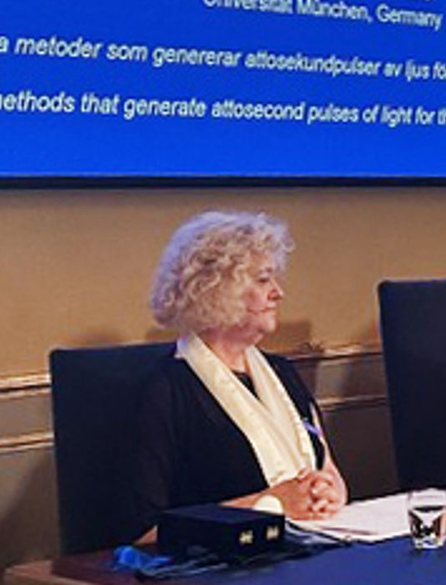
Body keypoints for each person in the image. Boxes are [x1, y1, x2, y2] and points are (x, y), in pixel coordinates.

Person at [130, 211, 346, 539]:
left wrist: (328, 493)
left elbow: (327, 470)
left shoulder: (283, 373)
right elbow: (144, 531)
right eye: (262, 280)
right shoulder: (166, 390)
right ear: (216, 290)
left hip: (314, 547)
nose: (278, 292)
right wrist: (268, 504)